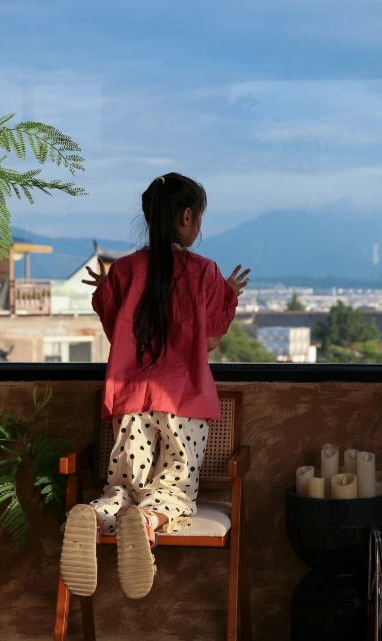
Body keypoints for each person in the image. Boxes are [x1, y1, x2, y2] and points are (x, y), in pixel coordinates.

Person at [59, 172, 250, 600]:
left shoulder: (125, 271)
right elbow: (211, 341)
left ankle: (93, 515)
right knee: (175, 492)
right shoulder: (204, 272)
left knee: (122, 488)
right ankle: (148, 523)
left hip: (128, 402)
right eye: (199, 217)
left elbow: (115, 326)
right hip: (184, 403)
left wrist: (106, 289)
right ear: (187, 217)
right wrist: (228, 295)